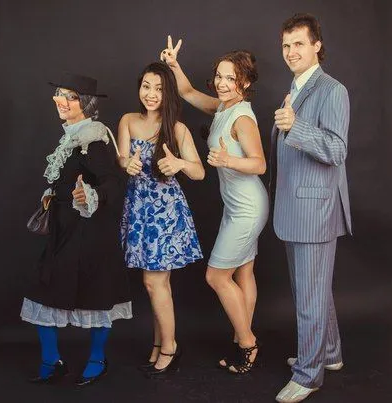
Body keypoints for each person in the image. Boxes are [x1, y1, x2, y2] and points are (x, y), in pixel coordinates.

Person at [160, 37, 268, 374]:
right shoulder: (223, 107)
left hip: (248, 208)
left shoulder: (242, 119)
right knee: (244, 271)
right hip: (237, 207)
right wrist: (174, 65)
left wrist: (227, 160)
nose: (221, 83)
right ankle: (241, 336)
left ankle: (248, 344)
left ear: (245, 83)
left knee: (216, 276)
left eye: (230, 78)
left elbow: (260, 164)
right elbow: (187, 92)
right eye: (219, 76)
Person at [20, 73, 132, 387]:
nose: (63, 101)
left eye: (71, 96)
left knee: (97, 295)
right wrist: (54, 194)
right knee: (43, 291)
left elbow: (114, 183)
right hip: (65, 229)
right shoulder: (72, 136)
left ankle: (97, 359)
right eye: (60, 94)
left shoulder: (92, 139)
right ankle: (51, 361)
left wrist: (91, 194)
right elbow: (71, 177)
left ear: (85, 103)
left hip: (89, 233)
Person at [270, 14, 352, 403]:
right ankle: (329, 354)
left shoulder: (333, 90)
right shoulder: (296, 87)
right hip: (296, 208)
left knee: (309, 297)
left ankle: (308, 374)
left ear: (317, 45)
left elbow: (337, 149)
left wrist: (295, 127)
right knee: (314, 292)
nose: (291, 52)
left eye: (299, 44)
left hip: (314, 211)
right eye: (286, 45)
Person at [118, 62, 205, 377]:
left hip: (166, 213)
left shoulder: (177, 129)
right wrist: (126, 163)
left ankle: (170, 347)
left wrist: (180, 163)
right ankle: (158, 344)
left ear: (169, 93)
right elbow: (121, 157)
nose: (151, 93)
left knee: (154, 282)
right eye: (146, 86)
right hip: (139, 208)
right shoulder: (128, 120)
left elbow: (199, 172)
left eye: (159, 88)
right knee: (157, 284)